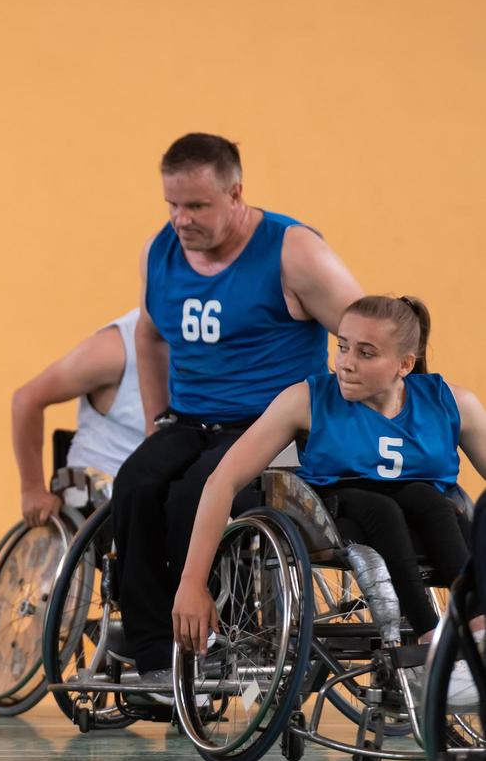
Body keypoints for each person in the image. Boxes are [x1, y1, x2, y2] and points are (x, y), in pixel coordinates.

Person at [112, 132, 363, 684]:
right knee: (133, 484)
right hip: (192, 420)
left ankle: (215, 630)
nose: (182, 219)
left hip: (269, 428)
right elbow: (150, 337)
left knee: (195, 495)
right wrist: (158, 422)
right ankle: (155, 655)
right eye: (172, 205)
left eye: (197, 205)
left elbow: (368, 338)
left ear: (236, 194)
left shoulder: (292, 251)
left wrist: (354, 425)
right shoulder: (161, 253)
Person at [172, 296, 484, 702]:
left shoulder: (451, 403)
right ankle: (431, 642)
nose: (346, 362)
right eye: (342, 346)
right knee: (382, 506)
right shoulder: (306, 399)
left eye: (365, 353)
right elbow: (221, 481)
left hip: (425, 525)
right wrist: (191, 582)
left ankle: (477, 633)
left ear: (404, 365)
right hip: (340, 519)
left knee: (432, 499)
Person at [11, 309, 144, 526]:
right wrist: (32, 489)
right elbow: (25, 401)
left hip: (156, 498)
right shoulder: (116, 347)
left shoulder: (206, 344)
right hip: (95, 506)